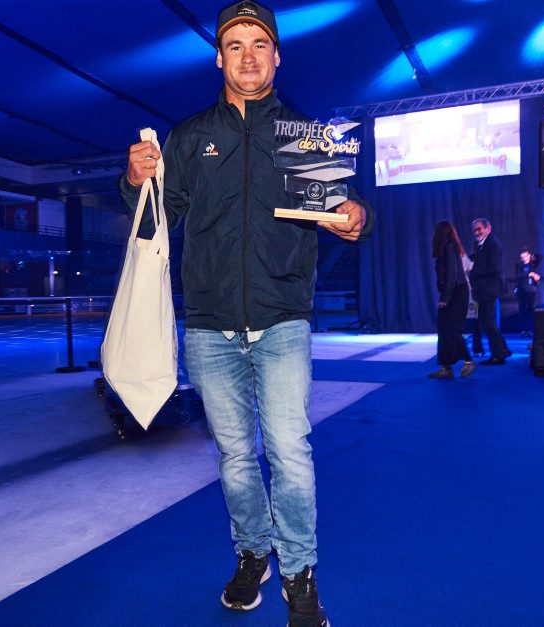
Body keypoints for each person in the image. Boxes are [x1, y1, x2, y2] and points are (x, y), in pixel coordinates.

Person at [120, 3, 373, 625]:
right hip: (209, 325)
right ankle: (253, 552)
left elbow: (339, 209)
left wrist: (355, 217)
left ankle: (299, 571)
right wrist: (134, 181)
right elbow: (156, 220)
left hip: (282, 317)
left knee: (290, 450)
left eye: (260, 43)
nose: (249, 56)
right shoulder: (187, 137)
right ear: (219, 58)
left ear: (277, 56)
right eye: (235, 45)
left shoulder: (306, 134)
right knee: (235, 458)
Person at [429, 221, 476, 379]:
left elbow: (452, 276)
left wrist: (445, 298)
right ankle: (446, 367)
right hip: (453, 292)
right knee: (444, 330)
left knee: (452, 329)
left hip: (455, 293)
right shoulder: (449, 248)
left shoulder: (449, 248)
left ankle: (468, 361)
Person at [468, 218, 511, 364]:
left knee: (488, 322)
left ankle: (498, 355)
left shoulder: (492, 244)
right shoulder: (482, 245)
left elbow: (494, 268)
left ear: (488, 229)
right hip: (485, 289)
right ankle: (502, 350)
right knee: (488, 322)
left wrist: (473, 272)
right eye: (474, 230)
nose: (476, 232)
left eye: (479, 229)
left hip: (489, 289)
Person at [514, 247, 541, 336]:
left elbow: (540, 257)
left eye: (525, 256)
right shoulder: (519, 266)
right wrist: (530, 274)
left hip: (532, 290)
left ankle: (531, 329)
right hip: (522, 290)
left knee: (531, 310)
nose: (523, 259)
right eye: (522, 257)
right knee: (522, 310)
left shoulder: (533, 264)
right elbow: (519, 276)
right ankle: (523, 330)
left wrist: (532, 256)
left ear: (529, 256)